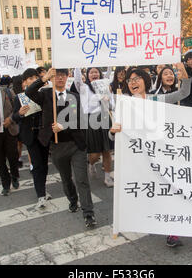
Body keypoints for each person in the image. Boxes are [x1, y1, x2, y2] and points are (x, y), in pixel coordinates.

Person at [109, 65, 191, 248]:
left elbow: (184, 92)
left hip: (161, 155)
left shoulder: (157, 99)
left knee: (169, 190)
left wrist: (183, 72)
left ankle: (173, 232)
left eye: (137, 78)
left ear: (146, 82)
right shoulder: (124, 104)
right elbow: (114, 134)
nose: (133, 82)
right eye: (130, 80)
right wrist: (113, 130)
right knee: (149, 191)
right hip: (139, 159)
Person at [25, 68, 97, 228]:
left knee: (82, 180)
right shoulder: (45, 95)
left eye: (63, 75)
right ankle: (72, 199)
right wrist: (44, 78)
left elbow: (81, 120)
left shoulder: (75, 97)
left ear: (67, 77)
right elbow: (29, 92)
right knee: (66, 179)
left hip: (76, 144)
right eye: (57, 75)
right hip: (56, 146)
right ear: (52, 77)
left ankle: (88, 213)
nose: (60, 78)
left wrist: (63, 125)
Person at [12, 69, 51, 208]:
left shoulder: (43, 94)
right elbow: (13, 118)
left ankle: (44, 189)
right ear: (24, 82)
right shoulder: (19, 98)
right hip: (30, 136)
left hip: (43, 135)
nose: (33, 80)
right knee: (37, 165)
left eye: (36, 77)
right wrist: (20, 114)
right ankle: (40, 195)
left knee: (44, 164)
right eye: (30, 78)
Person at [74, 67, 115, 187]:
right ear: (87, 75)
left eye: (96, 72)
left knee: (107, 151)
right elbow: (77, 78)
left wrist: (108, 101)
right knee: (95, 153)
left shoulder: (106, 87)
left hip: (106, 120)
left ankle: (107, 178)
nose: (94, 74)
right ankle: (91, 164)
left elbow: (113, 105)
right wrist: (76, 64)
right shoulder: (84, 88)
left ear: (100, 75)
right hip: (92, 121)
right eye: (91, 72)